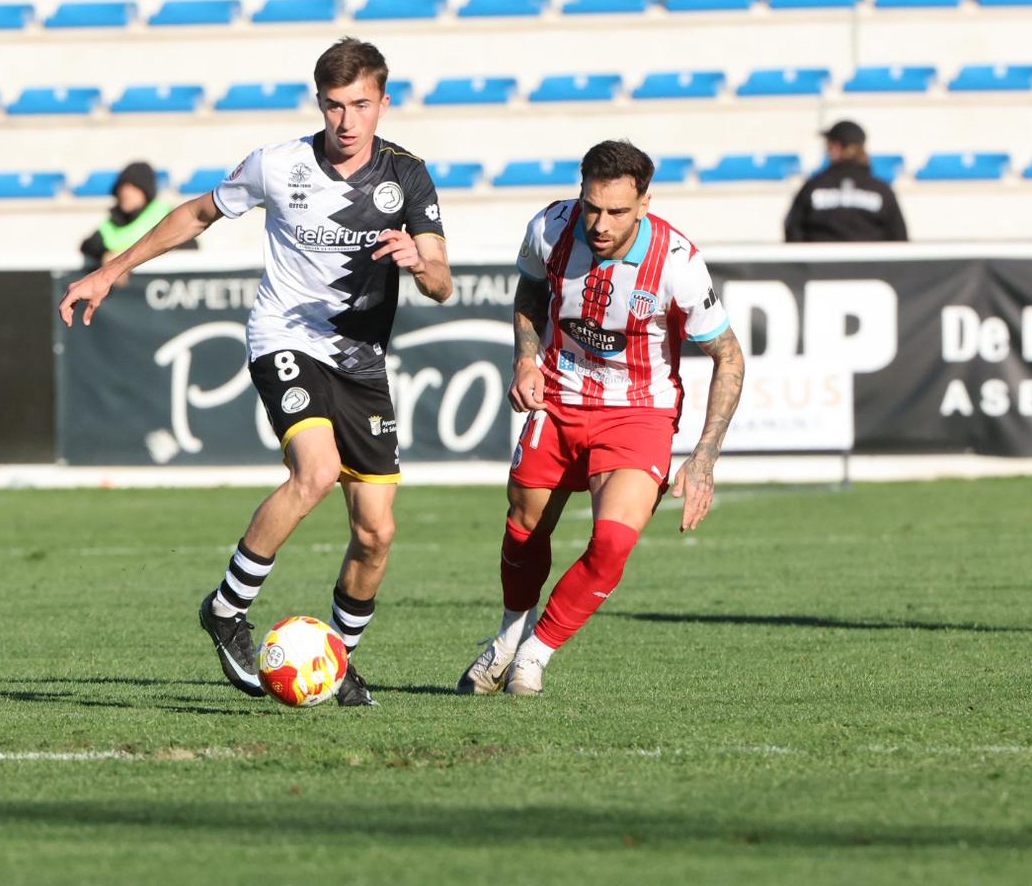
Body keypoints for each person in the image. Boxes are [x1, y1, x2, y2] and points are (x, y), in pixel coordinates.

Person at [59, 38, 452, 706]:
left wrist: (421, 261)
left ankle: (336, 658)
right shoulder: (278, 165)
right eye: (334, 106)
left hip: (360, 359)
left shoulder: (408, 178)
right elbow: (196, 213)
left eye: (361, 104)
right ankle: (226, 607)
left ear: (384, 103)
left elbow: (443, 281)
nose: (347, 121)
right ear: (319, 104)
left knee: (376, 533)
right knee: (316, 472)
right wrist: (111, 268)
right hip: (285, 337)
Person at [456, 140, 745, 697]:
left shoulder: (677, 262)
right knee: (523, 531)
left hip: (638, 413)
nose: (600, 223)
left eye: (616, 211)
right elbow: (530, 290)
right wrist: (524, 358)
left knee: (612, 542)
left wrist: (704, 455)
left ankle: (535, 654)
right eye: (592, 207)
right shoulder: (550, 227)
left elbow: (728, 356)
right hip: (559, 400)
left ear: (644, 204)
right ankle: (507, 636)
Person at [784, 120, 908, 242]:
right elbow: (899, 237)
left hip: (821, 261)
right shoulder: (881, 190)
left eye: (828, 145)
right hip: (869, 261)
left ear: (836, 147)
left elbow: (792, 230)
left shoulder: (813, 186)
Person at [77, 162, 194, 269]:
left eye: (133, 188)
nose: (126, 193)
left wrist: (126, 260)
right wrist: (106, 254)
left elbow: (190, 246)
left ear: (145, 191)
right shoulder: (112, 222)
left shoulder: (164, 213)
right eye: (123, 187)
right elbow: (88, 245)